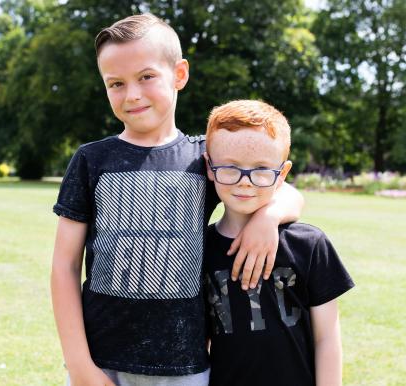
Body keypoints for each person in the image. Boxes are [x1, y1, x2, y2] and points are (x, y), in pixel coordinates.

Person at [50, 14, 305, 386]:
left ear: (180, 75)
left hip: (184, 366)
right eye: (116, 83)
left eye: (146, 77)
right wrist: (80, 366)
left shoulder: (204, 157)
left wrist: (269, 218)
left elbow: (288, 190)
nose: (132, 94)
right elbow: (64, 267)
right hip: (102, 363)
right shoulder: (91, 160)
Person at [203, 100, 354, 385]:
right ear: (210, 168)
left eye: (261, 169)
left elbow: (327, 338)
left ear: (282, 174)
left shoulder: (309, 245)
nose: (245, 182)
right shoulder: (200, 249)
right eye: (230, 168)